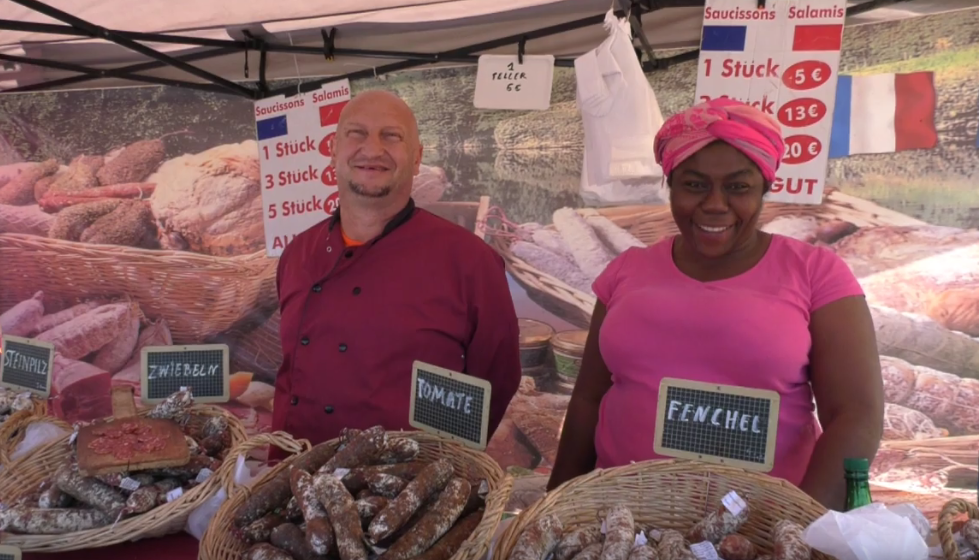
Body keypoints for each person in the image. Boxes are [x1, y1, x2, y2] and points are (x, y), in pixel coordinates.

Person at [547, 98, 884, 510]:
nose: (715, 204)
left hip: (761, 524)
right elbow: (588, 399)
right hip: (621, 517)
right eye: (694, 185)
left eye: (738, 187)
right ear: (671, 185)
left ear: (764, 188)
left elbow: (856, 415)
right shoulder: (626, 271)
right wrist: (556, 504)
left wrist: (800, 523)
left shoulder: (816, 272)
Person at [270, 89, 522, 452]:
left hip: (409, 482)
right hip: (291, 475)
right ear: (333, 152)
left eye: (391, 136)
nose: (372, 149)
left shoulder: (470, 261)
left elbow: (495, 383)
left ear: (417, 158)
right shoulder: (297, 254)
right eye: (356, 133)